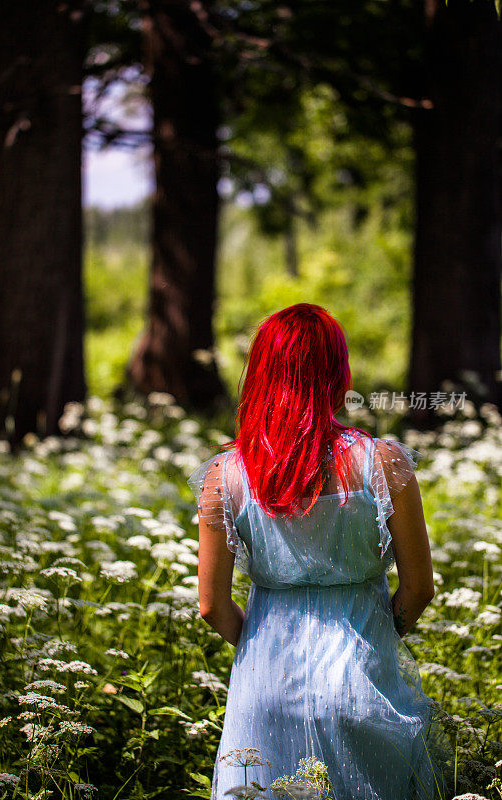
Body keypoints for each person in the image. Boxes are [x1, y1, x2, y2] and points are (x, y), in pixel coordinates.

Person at [187, 303, 453, 800]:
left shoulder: (225, 476)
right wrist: (379, 631)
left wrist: (258, 646)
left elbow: (210, 605)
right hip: (362, 672)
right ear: (337, 373)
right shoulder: (384, 463)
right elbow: (418, 588)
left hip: (265, 680)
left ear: (261, 374)